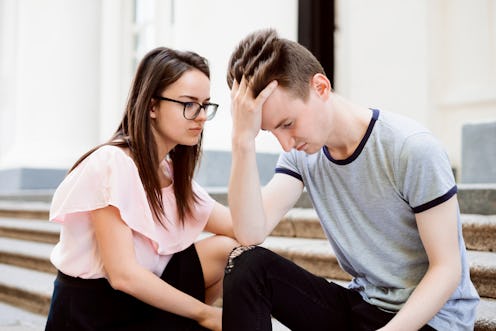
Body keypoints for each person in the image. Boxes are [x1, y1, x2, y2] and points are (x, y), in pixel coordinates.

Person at [222, 28, 480, 331]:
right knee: (246, 265)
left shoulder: (411, 148)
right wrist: (242, 140)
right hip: (364, 308)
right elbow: (251, 233)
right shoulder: (301, 155)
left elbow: (447, 270)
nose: (285, 143)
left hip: (430, 320)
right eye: (270, 131)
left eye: (287, 124)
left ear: (320, 87)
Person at [45, 47, 237, 331]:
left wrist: (246, 143)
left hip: (139, 304)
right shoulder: (112, 163)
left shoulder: (170, 174)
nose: (200, 117)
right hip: (92, 314)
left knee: (230, 251)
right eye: (189, 104)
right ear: (151, 106)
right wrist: (204, 314)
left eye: (205, 105)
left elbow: (243, 230)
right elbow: (122, 275)